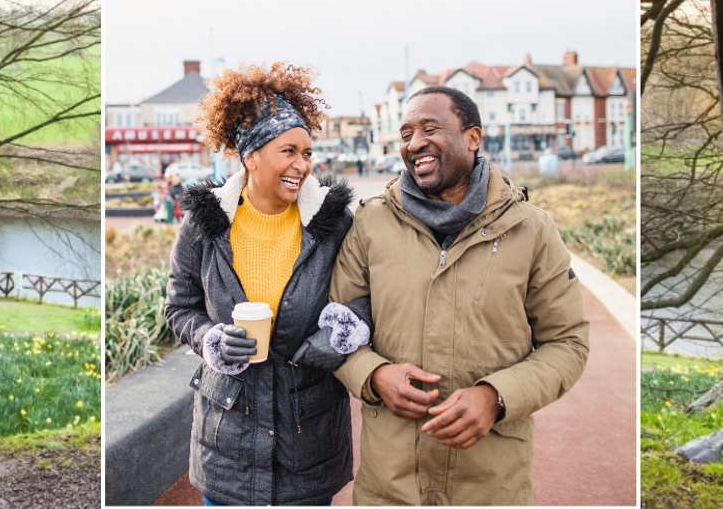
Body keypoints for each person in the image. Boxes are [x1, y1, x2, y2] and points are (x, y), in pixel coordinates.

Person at [329, 85, 590, 505]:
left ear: (473, 137)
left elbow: (568, 343)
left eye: (430, 128)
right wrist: (374, 375)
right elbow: (335, 326)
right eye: (406, 133)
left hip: (491, 487)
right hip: (389, 487)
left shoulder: (532, 229)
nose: (415, 144)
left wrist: (497, 396)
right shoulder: (371, 222)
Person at [165, 63, 372, 506]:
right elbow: (179, 307)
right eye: (289, 151)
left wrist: (340, 331)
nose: (302, 165)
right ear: (251, 156)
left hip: (309, 439)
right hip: (227, 446)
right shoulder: (205, 224)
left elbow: (366, 295)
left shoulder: (334, 223)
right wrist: (210, 339)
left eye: (308, 153)